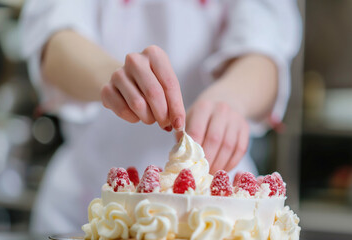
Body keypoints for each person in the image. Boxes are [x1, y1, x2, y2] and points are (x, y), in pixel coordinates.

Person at [21, 0, 302, 234]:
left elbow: (265, 47)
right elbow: (55, 36)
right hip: (87, 199)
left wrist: (232, 98)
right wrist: (111, 77)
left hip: (226, 214)